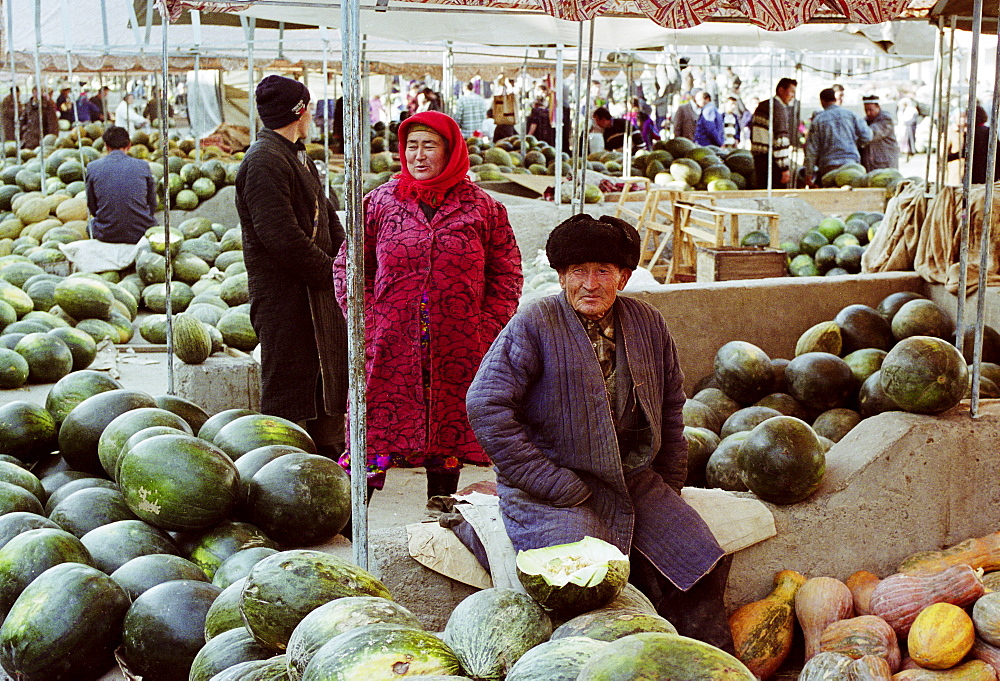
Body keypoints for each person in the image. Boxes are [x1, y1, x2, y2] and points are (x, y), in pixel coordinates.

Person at [466, 214, 732, 652]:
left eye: (603, 271)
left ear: (624, 277)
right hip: (553, 486)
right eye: (578, 272)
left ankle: (704, 662)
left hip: (631, 478)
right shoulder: (535, 323)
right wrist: (551, 482)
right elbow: (486, 405)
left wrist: (667, 485)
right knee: (581, 582)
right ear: (561, 276)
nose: (590, 284)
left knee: (697, 560)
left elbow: (670, 409)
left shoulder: (649, 324)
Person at [332, 110, 522, 500]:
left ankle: (440, 508)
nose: (418, 156)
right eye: (411, 146)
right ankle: (352, 516)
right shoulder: (380, 203)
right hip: (390, 342)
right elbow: (348, 267)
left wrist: (484, 329)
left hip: (457, 343)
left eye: (429, 146)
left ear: (450, 151)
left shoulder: (482, 208)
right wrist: (368, 322)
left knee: (447, 430)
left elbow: (507, 275)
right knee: (375, 429)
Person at [234, 75, 348, 459]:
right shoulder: (264, 161)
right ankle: (282, 466)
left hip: (312, 292)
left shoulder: (296, 154)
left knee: (318, 380)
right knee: (287, 388)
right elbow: (281, 237)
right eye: (309, 107)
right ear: (298, 112)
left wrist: (344, 260)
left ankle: (324, 458)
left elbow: (327, 212)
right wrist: (331, 275)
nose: (313, 114)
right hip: (283, 298)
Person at [84, 126, 157, 243]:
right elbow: (152, 203)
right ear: (129, 145)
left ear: (106, 146)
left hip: (106, 234)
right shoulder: (143, 165)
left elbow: (92, 205)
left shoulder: (93, 167)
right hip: (141, 232)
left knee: (90, 226)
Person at [802, 87, 872, 184]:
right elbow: (867, 135)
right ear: (835, 99)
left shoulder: (818, 120)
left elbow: (812, 150)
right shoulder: (851, 114)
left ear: (822, 101)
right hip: (851, 163)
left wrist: (808, 174)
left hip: (829, 166)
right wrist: (855, 144)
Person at [750, 77, 797, 189]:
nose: (793, 96)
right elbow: (780, 140)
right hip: (772, 161)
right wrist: (784, 169)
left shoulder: (763, 105)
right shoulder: (778, 108)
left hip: (759, 158)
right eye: (791, 92)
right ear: (781, 90)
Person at [947, 104, 1000, 184]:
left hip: (975, 173)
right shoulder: (990, 131)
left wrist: (949, 157)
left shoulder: (970, 133)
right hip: (991, 172)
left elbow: (967, 152)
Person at [860, 95, 900, 171]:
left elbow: (871, 134)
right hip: (871, 164)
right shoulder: (866, 120)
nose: (868, 113)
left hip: (884, 163)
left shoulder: (885, 119)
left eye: (871, 110)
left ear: (878, 107)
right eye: (866, 110)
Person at [897, 97, 919, 161]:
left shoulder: (912, 110)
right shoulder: (902, 110)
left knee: (910, 140)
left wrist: (907, 123)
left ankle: (911, 151)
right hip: (904, 127)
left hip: (910, 127)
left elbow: (913, 119)